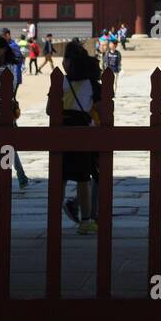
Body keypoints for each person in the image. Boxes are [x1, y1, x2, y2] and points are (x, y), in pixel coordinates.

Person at [58, 39, 101, 236]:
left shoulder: (62, 82)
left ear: (69, 62)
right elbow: (102, 110)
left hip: (62, 131)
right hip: (84, 131)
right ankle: (86, 220)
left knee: (61, 177)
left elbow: (51, 109)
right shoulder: (92, 83)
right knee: (83, 178)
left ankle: (54, 217)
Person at [0, 36, 30, 188]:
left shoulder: (12, 65)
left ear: (4, 49)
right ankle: (6, 175)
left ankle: (17, 175)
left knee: (8, 143)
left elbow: (7, 82)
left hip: (4, 107)